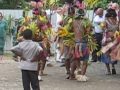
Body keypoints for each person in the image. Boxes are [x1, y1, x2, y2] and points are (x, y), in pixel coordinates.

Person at [101, 8, 119, 75]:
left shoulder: (105, 21)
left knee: (106, 54)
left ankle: (109, 70)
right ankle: (113, 67)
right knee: (112, 54)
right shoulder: (116, 21)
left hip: (107, 40)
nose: (112, 17)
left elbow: (103, 30)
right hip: (114, 40)